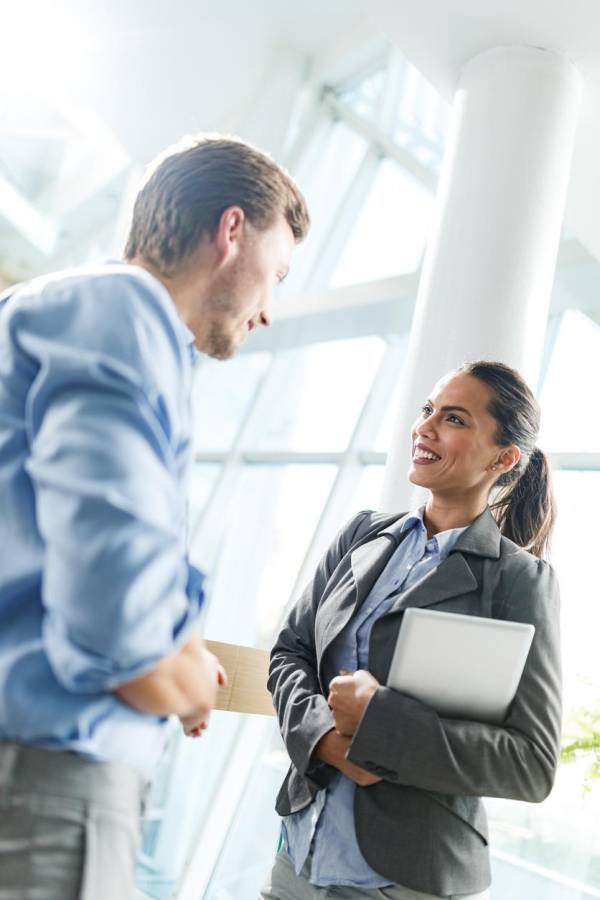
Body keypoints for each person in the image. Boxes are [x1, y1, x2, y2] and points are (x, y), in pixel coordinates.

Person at [0, 135, 309, 899]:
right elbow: (118, 629)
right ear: (230, 230)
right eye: (275, 275)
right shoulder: (127, 313)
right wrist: (182, 679)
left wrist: (179, 655)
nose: (269, 310)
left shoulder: (40, 310)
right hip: (48, 786)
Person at [264, 360, 560, 900]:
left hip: (405, 879)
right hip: (300, 852)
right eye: (427, 410)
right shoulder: (361, 535)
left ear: (504, 456)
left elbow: (532, 763)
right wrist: (323, 738)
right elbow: (290, 653)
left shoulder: (519, 581)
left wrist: (381, 723)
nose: (424, 427)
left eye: (453, 418)